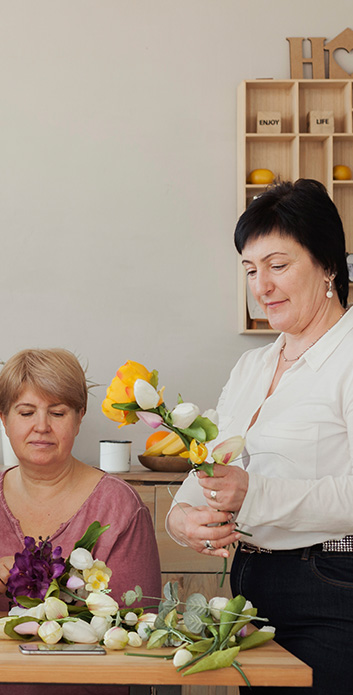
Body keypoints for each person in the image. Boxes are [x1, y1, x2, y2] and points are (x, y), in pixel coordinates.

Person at [166, 178, 353, 694]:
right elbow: (208, 470)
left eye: (278, 265)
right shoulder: (252, 366)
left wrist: (254, 494)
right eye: (250, 269)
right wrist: (183, 520)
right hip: (252, 592)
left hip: (334, 591)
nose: (261, 285)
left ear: (328, 264)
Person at [0, 348, 162, 695]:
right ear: (3, 418)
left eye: (57, 412)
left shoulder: (119, 506)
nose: (41, 427)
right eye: (26, 412)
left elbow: (139, 627)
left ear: (79, 417)